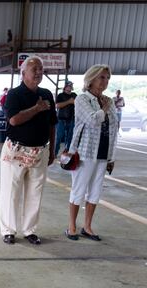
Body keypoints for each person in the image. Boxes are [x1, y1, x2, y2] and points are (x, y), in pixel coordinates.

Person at [0, 56, 57, 245]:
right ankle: (8, 230)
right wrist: (36, 108)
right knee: (11, 191)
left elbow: (52, 124)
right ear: (23, 73)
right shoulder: (14, 94)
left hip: (40, 151)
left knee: (35, 191)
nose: (39, 72)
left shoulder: (47, 94)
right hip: (16, 151)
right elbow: (14, 120)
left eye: (41, 69)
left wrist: (53, 149)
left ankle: (30, 230)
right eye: (34, 69)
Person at [64, 65, 118, 241]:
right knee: (79, 189)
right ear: (91, 79)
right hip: (84, 153)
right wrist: (105, 108)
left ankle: (87, 227)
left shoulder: (108, 100)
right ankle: (71, 226)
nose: (105, 81)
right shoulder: (82, 99)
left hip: (103, 153)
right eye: (101, 77)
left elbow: (114, 129)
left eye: (107, 78)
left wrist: (112, 156)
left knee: (95, 191)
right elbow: (93, 120)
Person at [54, 81, 77, 156]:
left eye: (71, 86)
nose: (69, 87)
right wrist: (69, 102)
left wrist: (75, 102)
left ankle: (67, 154)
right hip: (61, 120)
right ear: (65, 87)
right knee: (58, 138)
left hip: (72, 120)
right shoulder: (60, 95)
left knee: (70, 139)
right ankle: (54, 154)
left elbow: (78, 104)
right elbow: (57, 105)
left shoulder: (74, 95)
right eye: (68, 86)